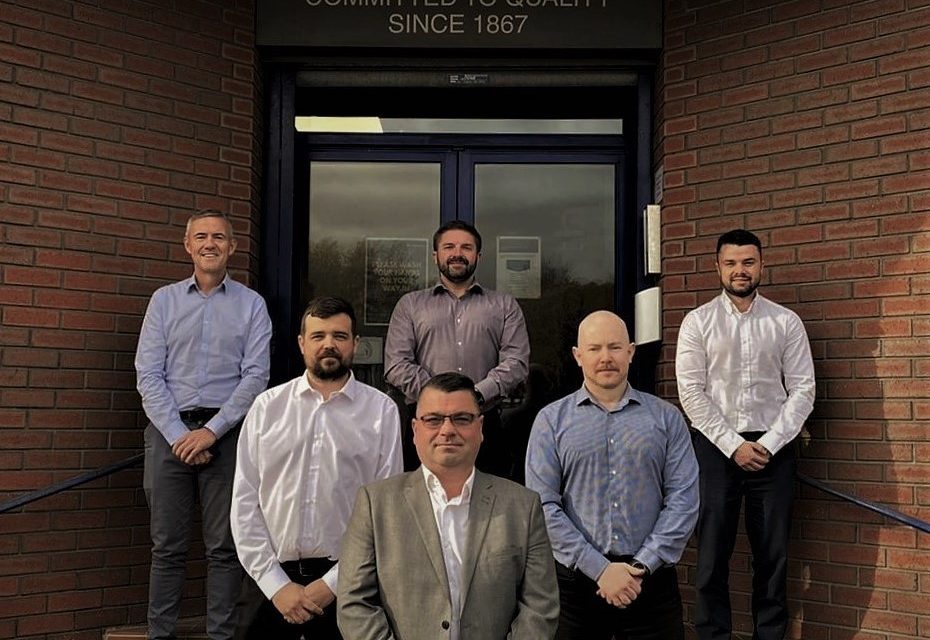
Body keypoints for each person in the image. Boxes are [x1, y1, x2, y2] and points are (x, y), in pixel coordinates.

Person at [337, 372, 559, 640]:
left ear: (480, 428)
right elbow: (354, 603)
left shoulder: (523, 506)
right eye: (433, 419)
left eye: (461, 418)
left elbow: (540, 607)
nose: (447, 430)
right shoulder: (375, 505)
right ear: (415, 430)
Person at [135, 209, 272, 640]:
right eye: (201, 237)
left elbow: (256, 376)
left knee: (225, 548)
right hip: (168, 434)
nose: (210, 243)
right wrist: (180, 436)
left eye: (218, 237)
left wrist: (211, 431)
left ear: (232, 246)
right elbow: (148, 374)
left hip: (227, 435)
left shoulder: (252, 305)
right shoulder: (164, 301)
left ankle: (221, 637)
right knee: (167, 547)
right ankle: (160, 635)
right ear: (188, 246)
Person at [231, 296, 402, 639]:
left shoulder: (381, 411)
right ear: (301, 343)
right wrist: (276, 585)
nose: (329, 344)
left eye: (339, 336)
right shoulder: (266, 408)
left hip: (348, 587)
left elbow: (385, 512)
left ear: (355, 344)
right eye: (318, 336)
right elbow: (244, 503)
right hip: (267, 585)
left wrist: (333, 584)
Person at [676, 228, 815, 640]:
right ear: (718, 267)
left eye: (748, 262)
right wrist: (734, 445)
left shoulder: (785, 322)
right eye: (731, 263)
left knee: (773, 557)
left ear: (761, 265)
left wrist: (768, 444)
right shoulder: (697, 323)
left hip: (774, 449)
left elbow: (804, 390)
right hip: (715, 448)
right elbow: (691, 392)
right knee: (711, 556)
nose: (740, 270)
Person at [526, 310, 699, 640]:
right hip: (576, 586)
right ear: (578, 356)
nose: (605, 357)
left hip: (651, 585)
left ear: (631, 352)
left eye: (615, 347)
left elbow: (684, 500)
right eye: (594, 348)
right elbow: (542, 506)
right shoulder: (550, 422)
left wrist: (642, 565)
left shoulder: (667, 419)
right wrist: (599, 569)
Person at [384, 220, 529, 477]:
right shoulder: (410, 305)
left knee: (489, 498)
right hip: (426, 425)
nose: (457, 254)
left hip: (485, 425)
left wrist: (476, 396)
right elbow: (397, 365)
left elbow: (516, 362)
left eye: (466, 248)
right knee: (422, 498)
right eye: (449, 247)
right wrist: (437, 398)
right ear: (435, 255)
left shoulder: (504, 306)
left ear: (478, 256)